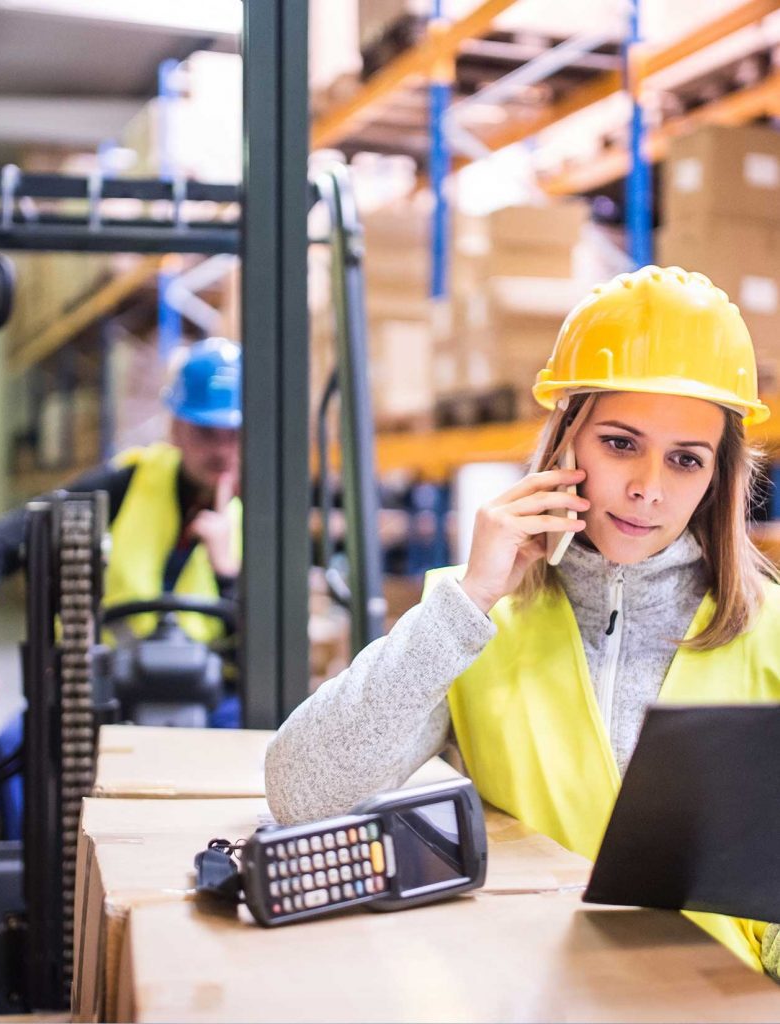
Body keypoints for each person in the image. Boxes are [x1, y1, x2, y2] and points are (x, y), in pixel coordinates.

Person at [265, 266, 780, 981]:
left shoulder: (770, 632)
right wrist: (469, 599)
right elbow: (301, 793)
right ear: (565, 439)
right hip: (525, 1001)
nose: (647, 488)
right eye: (620, 443)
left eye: (685, 460)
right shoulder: (472, 621)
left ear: (716, 480)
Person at [0, 336, 243, 836]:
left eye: (234, 435)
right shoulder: (123, 484)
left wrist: (228, 574)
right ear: (177, 427)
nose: (222, 451)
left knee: (260, 760)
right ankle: (45, 906)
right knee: (13, 750)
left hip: (209, 701)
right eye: (206, 432)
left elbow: (264, 653)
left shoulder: (262, 513)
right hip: (106, 694)